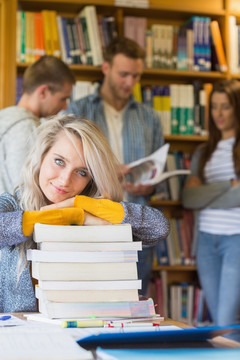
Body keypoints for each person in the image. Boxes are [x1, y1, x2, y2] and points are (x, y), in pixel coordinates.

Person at [0, 114, 169, 313]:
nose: (64, 180)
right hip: (23, 336)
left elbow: (158, 227)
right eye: (59, 161)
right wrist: (64, 216)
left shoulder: (93, 210)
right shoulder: (11, 204)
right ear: (41, 157)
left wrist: (83, 209)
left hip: (83, 330)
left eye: (82, 172)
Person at [66, 37, 164, 296]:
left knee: (133, 300)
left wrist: (151, 184)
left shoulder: (149, 117)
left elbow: (157, 169)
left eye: (136, 76)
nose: (130, 83)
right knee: (87, 299)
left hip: (135, 224)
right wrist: (107, 171)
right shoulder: (79, 110)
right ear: (105, 68)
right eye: (123, 74)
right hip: (90, 225)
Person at [182, 79, 240, 340]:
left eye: (225, 107)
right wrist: (229, 185)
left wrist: (205, 194)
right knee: (219, 322)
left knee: (228, 320)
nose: (218, 113)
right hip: (206, 242)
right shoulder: (203, 152)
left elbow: (201, 196)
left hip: (235, 240)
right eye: (214, 107)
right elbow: (189, 198)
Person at [0, 55, 75, 195]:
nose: (65, 106)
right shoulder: (24, 129)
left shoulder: (5, 117)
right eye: (63, 98)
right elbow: (25, 191)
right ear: (43, 91)